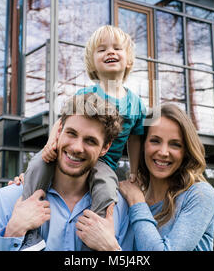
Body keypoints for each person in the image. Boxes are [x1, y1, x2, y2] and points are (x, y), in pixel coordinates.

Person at [19, 25, 146, 250]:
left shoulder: (135, 103)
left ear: (128, 61)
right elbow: (63, 121)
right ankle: (31, 231)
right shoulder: (86, 95)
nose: (110, 52)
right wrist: (51, 143)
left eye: (117, 48)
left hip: (104, 163)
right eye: (102, 50)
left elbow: (135, 139)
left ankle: (93, 234)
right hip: (70, 156)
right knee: (38, 164)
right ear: (92, 63)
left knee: (106, 189)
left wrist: (134, 170)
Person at [0, 93, 134, 251]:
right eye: (71, 133)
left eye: (90, 141)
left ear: (105, 148)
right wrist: (13, 231)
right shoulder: (6, 200)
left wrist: (111, 249)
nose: (76, 148)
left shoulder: (118, 209)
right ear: (59, 131)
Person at [77, 103, 214, 251]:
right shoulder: (127, 201)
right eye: (155, 141)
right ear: (142, 145)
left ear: (186, 151)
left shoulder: (199, 195)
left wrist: (111, 248)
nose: (163, 152)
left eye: (175, 144)